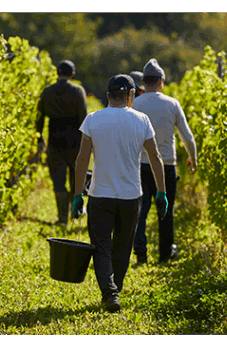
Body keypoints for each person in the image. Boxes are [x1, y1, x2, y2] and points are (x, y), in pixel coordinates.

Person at [71, 74, 167, 312]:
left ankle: (110, 292)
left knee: (101, 246)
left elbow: (82, 158)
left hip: (100, 195)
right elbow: (155, 157)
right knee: (123, 246)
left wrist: (77, 195)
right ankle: (115, 289)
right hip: (130, 195)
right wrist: (161, 192)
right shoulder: (142, 120)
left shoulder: (93, 119)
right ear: (130, 96)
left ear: (108, 95)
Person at [129, 58, 199, 264]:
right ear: (161, 82)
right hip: (167, 165)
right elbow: (187, 136)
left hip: (141, 165)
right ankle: (165, 254)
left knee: (141, 210)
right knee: (166, 211)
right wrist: (193, 159)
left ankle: (141, 254)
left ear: (143, 82)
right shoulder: (172, 104)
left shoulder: (135, 104)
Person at [36, 60, 89, 226]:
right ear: (72, 74)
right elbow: (84, 118)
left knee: (58, 182)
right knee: (76, 180)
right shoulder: (78, 91)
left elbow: (39, 117)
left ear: (57, 73)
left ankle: (62, 217)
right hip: (75, 142)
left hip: (55, 142)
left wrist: (40, 138)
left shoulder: (47, 91)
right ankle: (74, 213)